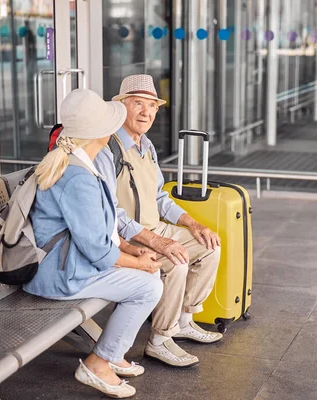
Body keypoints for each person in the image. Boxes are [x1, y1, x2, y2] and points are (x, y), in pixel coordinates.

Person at [24, 88, 163, 398]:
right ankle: (98, 364)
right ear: (99, 131)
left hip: (68, 261)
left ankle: (111, 352)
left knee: (148, 277)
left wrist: (129, 248)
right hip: (59, 274)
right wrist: (139, 262)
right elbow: (98, 251)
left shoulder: (89, 159)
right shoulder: (77, 176)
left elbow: (103, 223)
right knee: (148, 285)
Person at [94, 74, 222, 369]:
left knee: (209, 245)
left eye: (151, 106)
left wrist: (193, 224)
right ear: (121, 106)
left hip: (156, 228)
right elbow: (110, 211)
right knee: (175, 261)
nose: (146, 112)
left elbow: (160, 198)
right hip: (130, 236)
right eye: (138, 104)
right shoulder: (107, 148)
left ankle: (184, 320)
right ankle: (160, 340)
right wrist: (155, 240)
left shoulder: (147, 146)